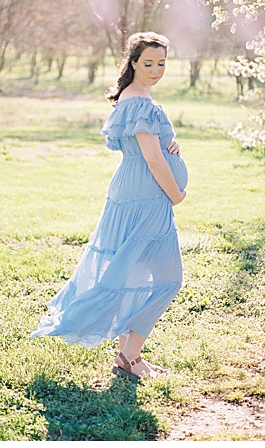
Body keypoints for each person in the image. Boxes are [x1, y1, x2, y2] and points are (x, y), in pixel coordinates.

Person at [31, 32, 187, 382]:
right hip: (146, 197)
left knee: (127, 271)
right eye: (148, 63)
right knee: (169, 279)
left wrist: (169, 144)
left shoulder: (132, 99)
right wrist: (176, 193)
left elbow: (148, 148)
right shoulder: (142, 104)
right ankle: (130, 356)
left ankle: (128, 355)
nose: (156, 70)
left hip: (129, 192)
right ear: (133, 63)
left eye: (161, 63)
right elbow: (150, 158)